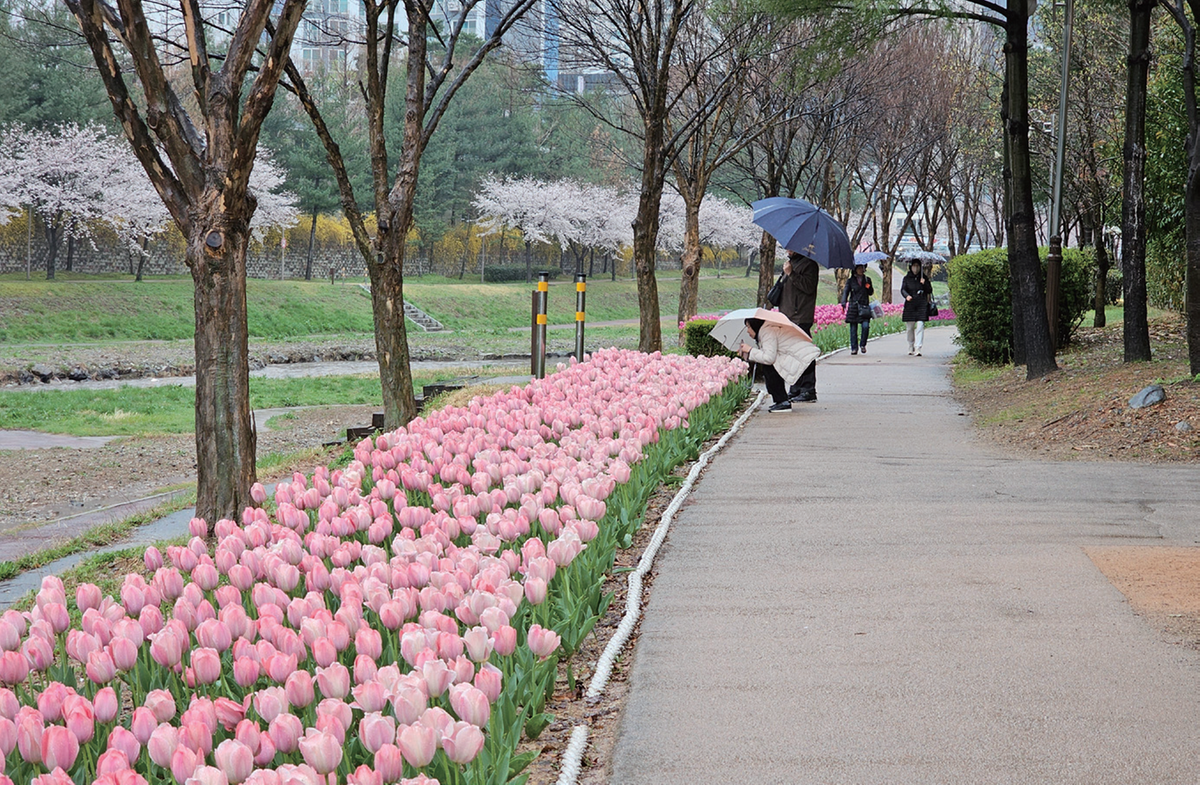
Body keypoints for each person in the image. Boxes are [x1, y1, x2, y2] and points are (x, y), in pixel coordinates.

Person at [737, 318, 819, 413]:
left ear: (755, 325)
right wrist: (747, 354)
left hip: (801, 361)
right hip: (801, 360)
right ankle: (781, 401)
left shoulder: (767, 332)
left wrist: (750, 350)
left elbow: (769, 358)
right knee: (769, 364)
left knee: (769, 367)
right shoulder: (766, 330)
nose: (747, 331)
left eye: (748, 327)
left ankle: (783, 402)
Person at [778, 250, 819, 402]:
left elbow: (808, 287)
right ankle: (795, 387)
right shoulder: (791, 263)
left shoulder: (809, 264)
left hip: (800, 315)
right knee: (793, 354)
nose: (787, 250)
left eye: (790, 248)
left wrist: (791, 274)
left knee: (804, 353)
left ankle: (808, 389)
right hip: (788, 316)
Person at [900, 259, 934, 356]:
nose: (915, 268)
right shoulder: (907, 278)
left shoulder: (924, 278)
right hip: (910, 305)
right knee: (910, 328)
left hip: (921, 304)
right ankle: (911, 345)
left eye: (917, 266)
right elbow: (903, 289)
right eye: (914, 266)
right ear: (910, 267)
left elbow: (929, 290)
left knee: (920, 326)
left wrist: (924, 284)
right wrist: (907, 296)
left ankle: (918, 347)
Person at [840, 263, 874, 355]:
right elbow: (846, 292)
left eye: (862, 268)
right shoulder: (851, 281)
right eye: (859, 268)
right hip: (854, 307)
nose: (861, 270)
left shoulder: (867, 280)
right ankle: (854, 348)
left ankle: (863, 344)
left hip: (864, 307)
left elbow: (871, 292)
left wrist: (868, 287)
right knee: (853, 329)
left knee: (865, 326)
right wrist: (843, 303)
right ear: (855, 269)